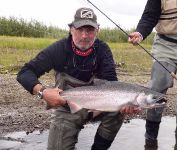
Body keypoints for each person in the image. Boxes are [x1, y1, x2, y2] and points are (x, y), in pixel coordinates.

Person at [17, 7, 140, 150]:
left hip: (99, 106)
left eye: (89, 30)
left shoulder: (102, 49)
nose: (84, 36)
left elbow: (111, 83)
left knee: (118, 110)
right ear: (71, 29)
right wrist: (42, 92)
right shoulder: (58, 49)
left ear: (97, 30)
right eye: (80, 29)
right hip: (67, 108)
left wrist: (126, 103)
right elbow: (25, 73)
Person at [128, 0, 177, 149]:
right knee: (156, 91)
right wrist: (140, 33)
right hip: (165, 47)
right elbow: (149, 16)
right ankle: (150, 139)